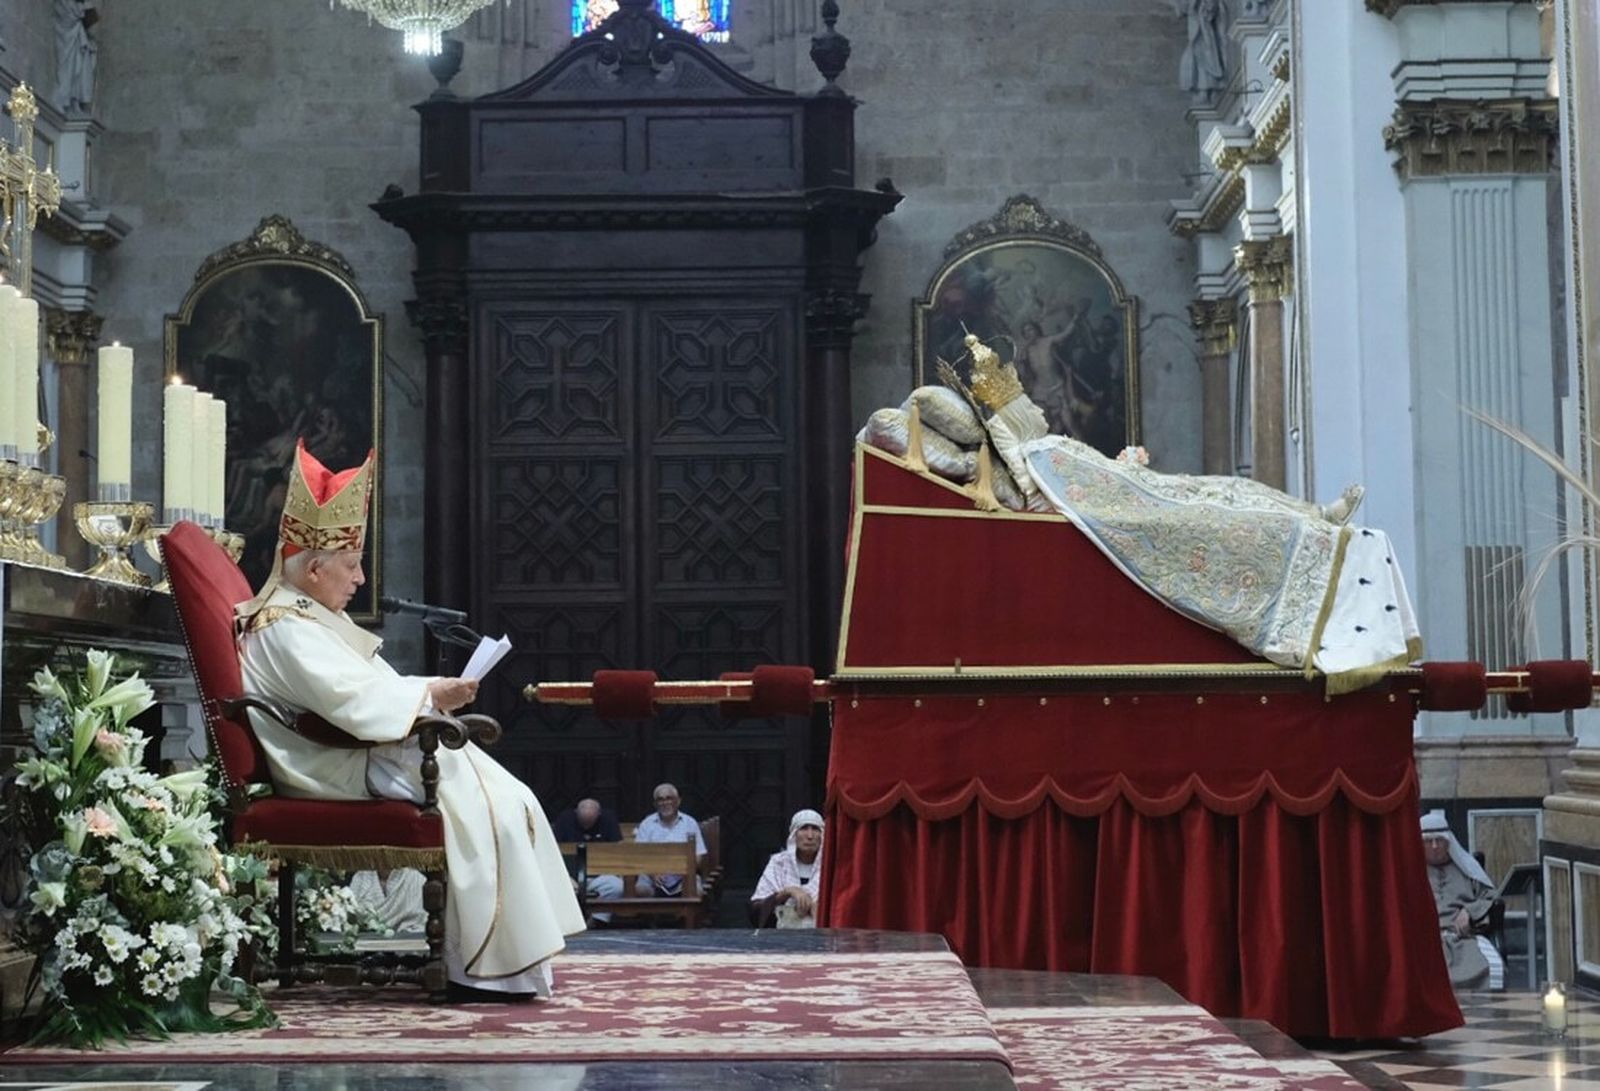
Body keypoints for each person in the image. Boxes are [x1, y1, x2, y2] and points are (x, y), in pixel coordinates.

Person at [236, 439, 585, 1000]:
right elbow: (352, 705)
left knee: (505, 793)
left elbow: (361, 692)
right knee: (481, 806)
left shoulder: (306, 617)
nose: (359, 579)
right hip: (332, 765)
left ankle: (506, 958)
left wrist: (430, 692)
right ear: (316, 565)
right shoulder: (284, 626)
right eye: (351, 566)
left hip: (358, 747)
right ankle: (481, 966)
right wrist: (428, 699)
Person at [946, 334, 1416, 688]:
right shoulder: (1028, 455)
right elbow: (1052, 494)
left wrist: (1124, 472)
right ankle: (1303, 535)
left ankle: (1315, 515)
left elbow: (1092, 473)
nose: (1041, 413)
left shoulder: (1040, 443)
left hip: (1133, 493)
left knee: (1226, 490)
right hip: (1115, 512)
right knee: (1222, 521)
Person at [1421, 812, 1498, 990]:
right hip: (1422, 942)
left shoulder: (1467, 868)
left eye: (1439, 840)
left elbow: (1491, 895)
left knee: (1487, 968)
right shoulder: (1407, 871)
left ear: (1449, 842)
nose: (1434, 846)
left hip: (1462, 939)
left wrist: (1470, 911)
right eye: (1428, 841)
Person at [749, 809, 824, 929]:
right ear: (794, 834)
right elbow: (756, 910)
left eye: (815, 829)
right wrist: (788, 892)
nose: (810, 836)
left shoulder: (831, 865)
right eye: (804, 828)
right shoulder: (779, 863)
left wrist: (820, 907)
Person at [553, 798, 624, 919]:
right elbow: (554, 851)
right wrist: (567, 876)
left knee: (616, 886)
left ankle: (597, 919)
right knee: (556, 887)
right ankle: (569, 921)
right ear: (576, 813)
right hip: (569, 876)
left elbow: (617, 851)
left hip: (599, 875)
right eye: (583, 822)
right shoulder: (564, 820)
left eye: (590, 822)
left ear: (599, 815)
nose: (586, 827)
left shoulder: (608, 820)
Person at [633, 782, 706, 896]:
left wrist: (682, 871)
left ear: (678, 801)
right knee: (640, 889)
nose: (665, 803)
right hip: (652, 874)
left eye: (669, 798)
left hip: (684, 874)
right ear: (655, 804)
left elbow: (699, 856)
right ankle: (650, 914)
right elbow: (639, 856)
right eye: (660, 799)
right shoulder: (646, 824)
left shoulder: (690, 823)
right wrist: (653, 873)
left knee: (697, 891)